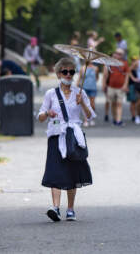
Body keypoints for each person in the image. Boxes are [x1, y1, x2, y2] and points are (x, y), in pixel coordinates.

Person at [38, 57, 95, 222]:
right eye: (65, 71)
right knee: (55, 171)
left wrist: (83, 104)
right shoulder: (51, 94)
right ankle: (55, 208)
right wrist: (48, 113)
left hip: (73, 137)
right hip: (56, 135)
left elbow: (90, 116)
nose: (69, 75)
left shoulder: (80, 92)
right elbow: (40, 116)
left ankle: (70, 209)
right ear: (58, 74)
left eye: (72, 72)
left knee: (72, 173)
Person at [103, 48, 129, 126]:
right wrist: (104, 84)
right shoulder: (110, 63)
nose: (117, 55)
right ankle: (115, 119)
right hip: (111, 86)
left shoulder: (125, 63)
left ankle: (119, 120)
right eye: (116, 53)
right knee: (113, 104)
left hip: (120, 87)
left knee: (119, 104)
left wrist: (125, 85)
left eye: (120, 54)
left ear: (122, 55)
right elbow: (106, 75)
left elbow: (127, 75)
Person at [77, 63, 99, 127]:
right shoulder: (83, 68)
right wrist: (77, 86)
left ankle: (91, 118)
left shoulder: (96, 68)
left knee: (92, 104)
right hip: (84, 88)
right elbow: (80, 78)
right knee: (85, 104)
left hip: (93, 88)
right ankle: (86, 120)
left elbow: (97, 78)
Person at [127, 56, 139, 122]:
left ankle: (138, 114)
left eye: (135, 60)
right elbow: (127, 71)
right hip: (131, 85)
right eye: (133, 60)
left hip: (139, 86)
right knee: (133, 102)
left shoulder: (138, 68)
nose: (134, 61)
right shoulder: (130, 68)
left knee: (138, 101)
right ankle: (133, 115)